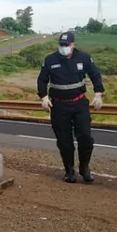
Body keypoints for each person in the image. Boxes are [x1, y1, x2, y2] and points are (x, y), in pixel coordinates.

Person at [36, 32, 104, 183]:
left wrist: (98, 93)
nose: (64, 48)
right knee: (64, 140)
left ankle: (84, 167)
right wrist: (43, 97)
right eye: (61, 45)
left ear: (73, 45)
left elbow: (95, 74)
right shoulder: (50, 59)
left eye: (67, 45)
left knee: (85, 137)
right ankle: (69, 170)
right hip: (59, 105)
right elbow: (42, 79)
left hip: (79, 103)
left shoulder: (84, 58)